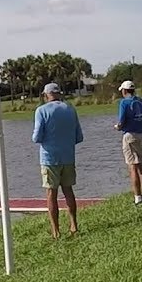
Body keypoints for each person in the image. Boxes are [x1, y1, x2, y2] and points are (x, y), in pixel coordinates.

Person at [31, 82, 84, 239]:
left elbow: (36, 137)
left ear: (46, 95)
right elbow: (79, 137)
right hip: (68, 156)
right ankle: (73, 224)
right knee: (68, 190)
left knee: (51, 193)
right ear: (59, 93)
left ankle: (55, 231)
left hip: (49, 158)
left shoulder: (41, 111)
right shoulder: (70, 109)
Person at [114, 80, 142, 205]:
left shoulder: (124, 103)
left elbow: (121, 122)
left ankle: (137, 197)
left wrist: (117, 127)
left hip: (130, 135)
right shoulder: (141, 101)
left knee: (132, 167)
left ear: (125, 91)